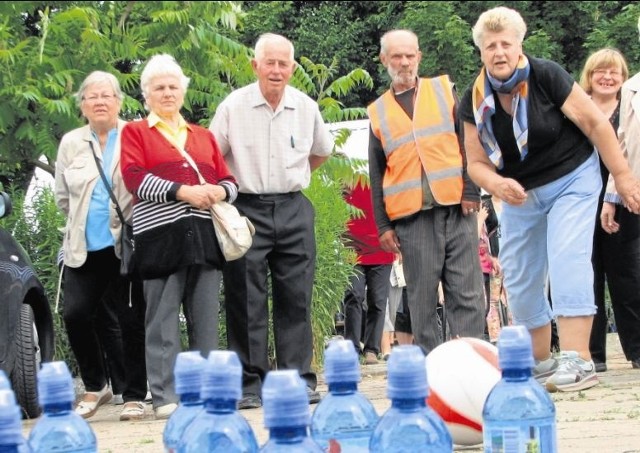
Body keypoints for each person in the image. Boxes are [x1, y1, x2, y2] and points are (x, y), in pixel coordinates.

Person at [459, 6, 640, 392]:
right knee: (521, 276)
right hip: (519, 193)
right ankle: (540, 363)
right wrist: (496, 183)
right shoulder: (472, 100)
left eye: (506, 43)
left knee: (567, 257)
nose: (499, 52)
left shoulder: (546, 75)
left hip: (572, 177)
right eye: (490, 46)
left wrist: (623, 177)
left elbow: (594, 123)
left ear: (519, 44)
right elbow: (475, 164)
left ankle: (578, 359)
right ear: (481, 52)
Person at [209, 33, 334, 410]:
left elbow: (321, 153)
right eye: (270, 63)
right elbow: (213, 156)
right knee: (245, 298)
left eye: (283, 64)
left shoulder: (306, 107)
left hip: (294, 206)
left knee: (296, 296)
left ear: (292, 68)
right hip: (246, 208)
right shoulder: (234, 105)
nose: (276, 70)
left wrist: (292, 179)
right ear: (255, 66)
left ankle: (297, 380)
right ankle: (250, 383)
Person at [120, 54, 238, 419]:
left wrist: (219, 192)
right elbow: (134, 178)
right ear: (147, 94)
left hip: (204, 235)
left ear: (182, 92)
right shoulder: (135, 132)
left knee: (204, 319)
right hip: (159, 236)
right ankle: (165, 395)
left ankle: (204, 391)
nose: (167, 93)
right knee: (161, 318)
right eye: (159, 87)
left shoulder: (202, 136)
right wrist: (182, 192)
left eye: (173, 86)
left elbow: (230, 182)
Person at [367, 29, 486, 356]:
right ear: (384, 60)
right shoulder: (377, 111)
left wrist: (472, 190)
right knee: (420, 300)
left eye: (409, 55)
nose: (404, 62)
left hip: (457, 207)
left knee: (468, 293)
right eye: (396, 56)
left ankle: (473, 362)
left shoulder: (444, 90)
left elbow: (468, 141)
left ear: (419, 57)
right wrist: (383, 226)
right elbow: (376, 172)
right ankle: (433, 371)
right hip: (411, 220)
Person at [54, 71, 147, 421]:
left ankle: (135, 394)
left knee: (130, 319)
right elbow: (63, 198)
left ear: (119, 101)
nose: (99, 102)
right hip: (84, 246)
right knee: (75, 314)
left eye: (106, 95)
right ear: (82, 105)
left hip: (125, 245)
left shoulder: (135, 135)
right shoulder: (71, 142)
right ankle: (96, 385)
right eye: (92, 97)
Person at [578, 48, 632, 373]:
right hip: (583, 198)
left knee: (628, 276)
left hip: (625, 198)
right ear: (590, 75)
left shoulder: (631, 108)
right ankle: (593, 354)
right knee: (588, 276)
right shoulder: (577, 107)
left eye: (615, 72)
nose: (608, 77)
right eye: (601, 71)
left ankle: (637, 350)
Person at [600, 42, 640, 370]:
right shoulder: (633, 89)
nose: (608, 77)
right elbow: (622, 148)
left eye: (614, 71)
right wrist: (612, 198)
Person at [341, 182, 394, 365]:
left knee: (378, 301)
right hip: (352, 251)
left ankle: (372, 349)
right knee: (353, 296)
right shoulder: (346, 179)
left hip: (382, 249)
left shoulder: (384, 179)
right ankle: (352, 349)